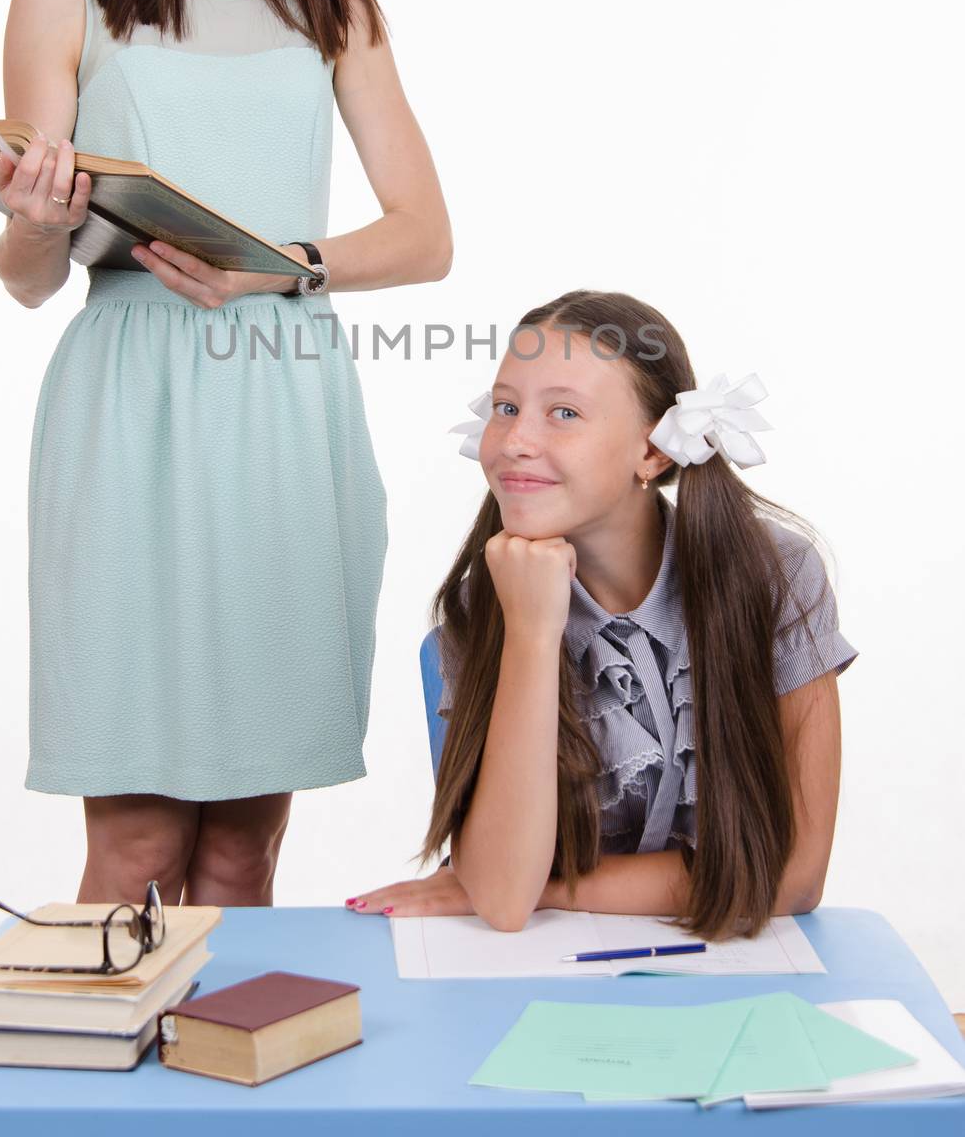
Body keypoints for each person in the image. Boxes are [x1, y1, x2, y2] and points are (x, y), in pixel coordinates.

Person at [0, 0, 452, 908]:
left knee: (242, 849)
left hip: (281, 407)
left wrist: (284, 269)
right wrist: (36, 216)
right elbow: (28, 275)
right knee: (133, 845)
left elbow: (423, 233)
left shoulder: (331, 1)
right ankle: (94, 1104)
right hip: (125, 417)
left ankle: (217, 1100)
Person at [345, 290, 856, 938]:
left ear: (653, 452)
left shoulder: (777, 574)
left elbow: (794, 875)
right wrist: (531, 635)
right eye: (505, 408)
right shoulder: (487, 602)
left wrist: (549, 888)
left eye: (562, 412)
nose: (514, 442)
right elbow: (503, 902)